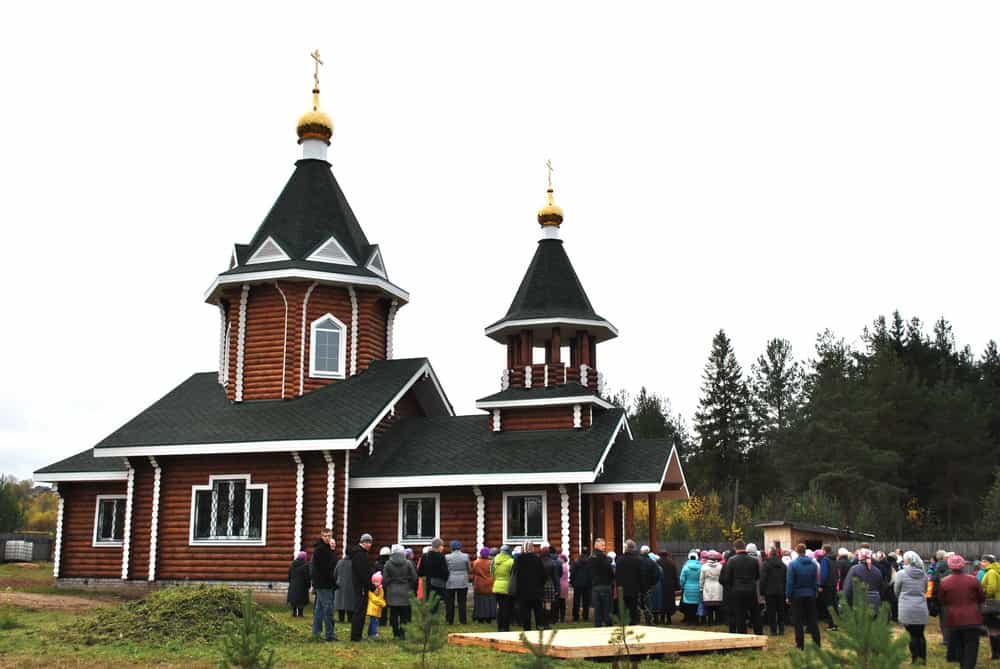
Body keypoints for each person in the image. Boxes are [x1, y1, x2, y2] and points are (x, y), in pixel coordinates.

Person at [937, 554, 985, 669]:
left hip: (954, 619)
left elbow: (942, 600)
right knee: (971, 646)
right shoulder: (973, 580)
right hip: (973, 618)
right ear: (963, 565)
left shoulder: (944, 582)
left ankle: (962, 664)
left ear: (950, 566)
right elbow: (981, 598)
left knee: (959, 645)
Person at [720, 539, 763, 635]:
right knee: (755, 614)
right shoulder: (754, 560)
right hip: (751, 590)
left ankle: (743, 635)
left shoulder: (731, 560)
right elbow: (757, 576)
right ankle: (759, 634)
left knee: (740, 615)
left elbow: (727, 578)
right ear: (744, 547)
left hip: (737, 591)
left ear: (735, 548)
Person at [894, 550, 929, 664]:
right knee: (920, 634)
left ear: (907, 560)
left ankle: (915, 659)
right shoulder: (923, 574)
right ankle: (923, 659)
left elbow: (896, 590)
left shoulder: (901, 574)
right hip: (921, 606)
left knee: (912, 635)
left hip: (907, 607)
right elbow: (924, 589)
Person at [786, 542, 821, 651]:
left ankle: (800, 644)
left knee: (798, 621)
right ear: (805, 551)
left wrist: (788, 595)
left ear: (797, 551)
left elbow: (790, 582)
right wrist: (815, 592)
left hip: (797, 595)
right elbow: (816, 581)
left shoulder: (793, 564)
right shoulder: (813, 564)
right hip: (810, 594)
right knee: (812, 620)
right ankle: (817, 643)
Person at [383, 544, 418, 639]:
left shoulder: (388, 564)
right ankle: (402, 633)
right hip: (405, 591)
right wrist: (410, 586)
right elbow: (414, 578)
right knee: (404, 615)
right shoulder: (408, 563)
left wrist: (388, 586)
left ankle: (395, 633)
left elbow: (385, 579)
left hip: (392, 591)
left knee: (393, 614)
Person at [310, 528, 337, 642]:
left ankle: (316, 632)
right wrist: (332, 551)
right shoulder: (321, 550)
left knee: (319, 609)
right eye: (325, 536)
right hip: (324, 583)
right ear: (321, 536)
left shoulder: (325, 548)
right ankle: (329, 635)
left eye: (329, 536)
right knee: (328, 609)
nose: (327, 538)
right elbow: (328, 567)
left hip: (322, 583)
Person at [515, 541, 548, 631]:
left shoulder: (519, 559)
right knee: (538, 609)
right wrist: (541, 585)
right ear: (532, 548)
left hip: (523, 591)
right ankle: (539, 626)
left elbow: (516, 575)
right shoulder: (537, 559)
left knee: (525, 611)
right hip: (536, 590)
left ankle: (527, 628)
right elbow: (543, 575)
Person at [348, 533, 374, 642]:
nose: (370, 545)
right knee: (360, 611)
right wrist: (371, 586)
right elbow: (362, 573)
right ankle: (356, 636)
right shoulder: (360, 554)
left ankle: (357, 634)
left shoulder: (360, 553)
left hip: (360, 586)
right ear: (363, 542)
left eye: (370, 543)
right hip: (361, 586)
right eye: (368, 542)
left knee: (360, 610)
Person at [843, 548, 883, 615]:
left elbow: (848, 589)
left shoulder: (854, 569)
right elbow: (881, 588)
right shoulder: (877, 571)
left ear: (860, 557)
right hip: (875, 604)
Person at [615, 540, 644, 625]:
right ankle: (633, 622)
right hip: (634, 589)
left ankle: (623, 623)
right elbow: (641, 575)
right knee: (633, 608)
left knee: (623, 607)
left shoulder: (619, 560)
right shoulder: (638, 560)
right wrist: (641, 588)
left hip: (622, 589)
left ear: (626, 548)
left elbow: (617, 575)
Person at [588, 538, 615, 627]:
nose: (604, 547)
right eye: (603, 545)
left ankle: (598, 625)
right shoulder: (604, 558)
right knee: (607, 608)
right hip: (605, 585)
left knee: (597, 609)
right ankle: (608, 625)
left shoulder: (591, 557)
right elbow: (610, 571)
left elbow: (589, 572)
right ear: (597, 546)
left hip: (595, 586)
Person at [760, 547, 787, 635]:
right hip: (781, 591)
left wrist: (762, 591)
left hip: (769, 591)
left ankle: (773, 630)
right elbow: (785, 579)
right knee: (781, 610)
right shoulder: (783, 565)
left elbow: (763, 579)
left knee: (771, 611)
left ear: (769, 554)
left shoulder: (766, 564)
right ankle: (782, 629)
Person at [418, 537, 449, 611]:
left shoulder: (425, 556)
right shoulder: (441, 557)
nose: (443, 547)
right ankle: (433, 619)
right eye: (442, 546)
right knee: (437, 603)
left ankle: (429, 619)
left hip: (427, 583)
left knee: (429, 602)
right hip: (438, 584)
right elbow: (444, 572)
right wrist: (445, 578)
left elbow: (420, 572)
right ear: (438, 546)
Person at [445, 540, 471, 625]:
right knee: (462, 602)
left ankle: (449, 620)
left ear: (451, 547)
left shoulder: (447, 557)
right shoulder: (465, 556)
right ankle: (463, 620)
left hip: (451, 580)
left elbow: (446, 569)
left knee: (450, 602)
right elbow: (469, 568)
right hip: (463, 580)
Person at [979, 554, 1000, 660]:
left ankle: (995, 654)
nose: (981, 563)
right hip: (997, 603)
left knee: (993, 630)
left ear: (988, 562)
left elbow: (991, 588)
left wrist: (982, 593)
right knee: (996, 628)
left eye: (983, 561)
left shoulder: (991, 572)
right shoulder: (996, 570)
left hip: (992, 604)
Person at [492, 544, 515, 631]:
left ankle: (499, 626)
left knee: (499, 607)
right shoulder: (511, 561)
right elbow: (513, 575)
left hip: (497, 586)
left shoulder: (494, 560)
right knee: (506, 608)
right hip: (506, 587)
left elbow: (492, 573)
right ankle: (505, 627)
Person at [471, 547, 496, 623]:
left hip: (479, 584)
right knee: (489, 600)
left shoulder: (476, 562)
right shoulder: (491, 563)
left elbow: (473, 572)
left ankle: (479, 617)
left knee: (479, 601)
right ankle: (489, 617)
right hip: (489, 583)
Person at [816, 548, 838, 631]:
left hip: (827, 585)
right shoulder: (834, 559)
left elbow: (823, 574)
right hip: (833, 584)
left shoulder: (825, 560)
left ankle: (831, 625)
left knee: (829, 605)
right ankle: (836, 624)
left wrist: (821, 584)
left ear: (824, 551)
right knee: (834, 604)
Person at [699, 550, 724, 626]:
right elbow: (722, 577)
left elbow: (701, 579)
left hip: (708, 586)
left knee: (709, 606)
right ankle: (717, 621)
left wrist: (701, 588)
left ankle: (709, 621)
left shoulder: (704, 567)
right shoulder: (720, 566)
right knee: (717, 606)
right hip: (718, 586)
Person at [679, 550, 703, 624]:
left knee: (688, 604)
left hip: (687, 587)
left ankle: (688, 620)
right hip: (697, 587)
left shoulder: (685, 567)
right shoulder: (701, 567)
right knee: (696, 604)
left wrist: (683, 586)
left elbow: (682, 579)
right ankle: (696, 620)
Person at [570, 547, 592, 622]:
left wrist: (572, 582)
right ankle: (585, 616)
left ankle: (575, 616)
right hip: (587, 584)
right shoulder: (590, 562)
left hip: (577, 584)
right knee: (586, 601)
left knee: (576, 601)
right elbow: (591, 574)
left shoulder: (576, 561)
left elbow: (572, 573)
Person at [658, 551, 679, 624]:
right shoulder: (672, 563)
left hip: (661, 585)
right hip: (670, 585)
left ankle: (662, 618)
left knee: (661, 601)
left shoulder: (657, 562)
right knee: (669, 602)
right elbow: (675, 575)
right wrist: (677, 586)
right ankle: (669, 619)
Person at [334, 548, 354, 623]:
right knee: (350, 604)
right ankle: (350, 619)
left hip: (340, 586)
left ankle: (341, 619)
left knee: (340, 603)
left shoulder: (340, 562)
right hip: (351, 586)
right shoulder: (353, 563)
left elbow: (335, 573)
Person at [287, 550, 310, 617]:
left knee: (294, 599)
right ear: (304, 557)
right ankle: (300, 613)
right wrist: (308, 584)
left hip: (293, 585)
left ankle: (294, 613)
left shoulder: (292, 564)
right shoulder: (305, 566)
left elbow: (289, 575)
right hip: (302, 586)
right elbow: (307, 576)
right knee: (301, 600)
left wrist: (291, 582)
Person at [366, 572, 386, 639]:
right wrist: (382, 603)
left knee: (373, 621)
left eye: (378, 582)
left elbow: (381, 597)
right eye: (375, 582)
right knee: (374, 622)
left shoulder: (380, 589)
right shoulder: (371, 590)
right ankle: (374, 634)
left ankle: (370, 633)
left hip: (377, 608)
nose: (376, 583)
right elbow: (374, 599)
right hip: (373, 608)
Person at [557, 553, 570, 623]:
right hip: (565, 585)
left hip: (561, 585)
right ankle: (562, 617)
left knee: (560, 602)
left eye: (560, 558)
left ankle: (561, 617)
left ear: (562, 559)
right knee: (563, 602)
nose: (558, 559)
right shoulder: (566, 566)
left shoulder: (562, 566)